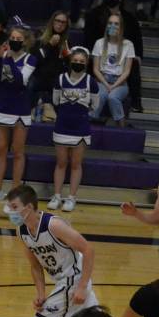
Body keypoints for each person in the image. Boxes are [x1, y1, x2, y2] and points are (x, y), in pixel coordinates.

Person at [4, 184, 96, 317]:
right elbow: (35, 265)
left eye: (14, 207)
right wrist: (41, 293)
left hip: (74, 281)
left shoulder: (53, 225)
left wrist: (82, 286)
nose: (10, 212)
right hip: (63, 283)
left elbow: (88, 249)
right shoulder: (22, 231)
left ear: (28, 207)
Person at [0, 21, 36, 213]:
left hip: (21, 109)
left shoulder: (30, 59)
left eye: (18, 39)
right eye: (12, 38)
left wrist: (8, 60)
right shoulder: (4, 56)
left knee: (18, 152)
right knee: (0, 151)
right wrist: (0, 59)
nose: (14, 41)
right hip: (3, 107)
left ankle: (14, 197)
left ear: (25, 41)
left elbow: (20, 81)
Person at [49, 47, 98, 211]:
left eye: (81, 61)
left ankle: (71, 198)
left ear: (86, 63)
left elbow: (95, 105)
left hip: (81, 129)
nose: (78, 63)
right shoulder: (60, 79)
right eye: (75, 61)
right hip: (62, 127)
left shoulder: (91, 82)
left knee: (76, 164)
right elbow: (55, 101)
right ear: (70, 61)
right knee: (61, 163)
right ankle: (57, 196)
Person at [85, 0, 143, 112]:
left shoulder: (129, 17)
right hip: (100, 51)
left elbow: (137, 36)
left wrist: (138, 54)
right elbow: (88, 35)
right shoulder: (95, 14)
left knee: (134, 63)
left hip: (123, 52)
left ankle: (136, 101)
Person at [91, 13, 133, 126]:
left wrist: (113, 86)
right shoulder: (99, 43)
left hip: (120, 82)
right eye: (110, 23)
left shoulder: (128, 44)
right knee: (101, 96)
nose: (112, 26)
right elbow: (95, 69)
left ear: (121, 27)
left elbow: (127, 71)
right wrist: (106, 84)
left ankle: (122, 127)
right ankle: (91, 123)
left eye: (116, 24)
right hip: (102, 80)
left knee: (113, 97)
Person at [30, 10, 71, 120]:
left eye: (63, 22)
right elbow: (34, 61)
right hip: (38, 76)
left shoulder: (66, 42)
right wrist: (50, 45)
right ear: (52, 22)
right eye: (57, 21)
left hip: (55, 78)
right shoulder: (40, 38)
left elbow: (66, 65)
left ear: (66, 26)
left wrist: (68, 56)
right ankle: (38, 106)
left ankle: (47, 107)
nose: (60, 24)